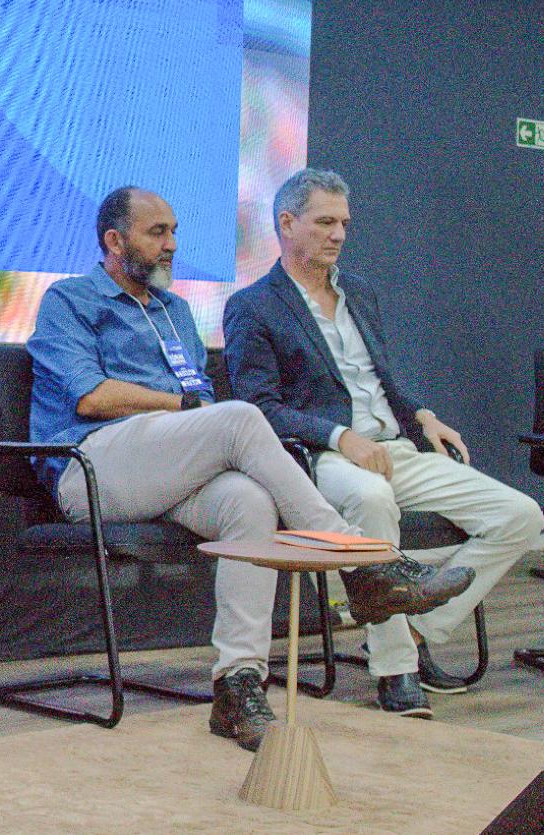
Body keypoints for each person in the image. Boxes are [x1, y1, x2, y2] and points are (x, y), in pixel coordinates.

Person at [27, 185, 473, 751]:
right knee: (238, 417)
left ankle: (237, 686)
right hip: (91, 468)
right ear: (115, 242)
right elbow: (92, 397)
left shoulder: (175, 311)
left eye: (174, 231)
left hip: (169, 468)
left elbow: (202, 402)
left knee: (250, 503)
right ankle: (363, 565)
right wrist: (187, 408)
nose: (171, 244)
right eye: (157, 233)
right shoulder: (69, 300)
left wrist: (196, 413)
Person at [223, 168, 542, 717]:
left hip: (392, 446)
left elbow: (377, 380)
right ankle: (396, 671)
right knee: (372, 499)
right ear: (287, 223)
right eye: (325, 222)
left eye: (344, 223)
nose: (338, 234)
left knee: (521, 515)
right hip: (320, 456)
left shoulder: (359, 292)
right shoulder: (254, 305)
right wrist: (339, 436)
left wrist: (421, 415)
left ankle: (413, 632)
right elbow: (259, 408)